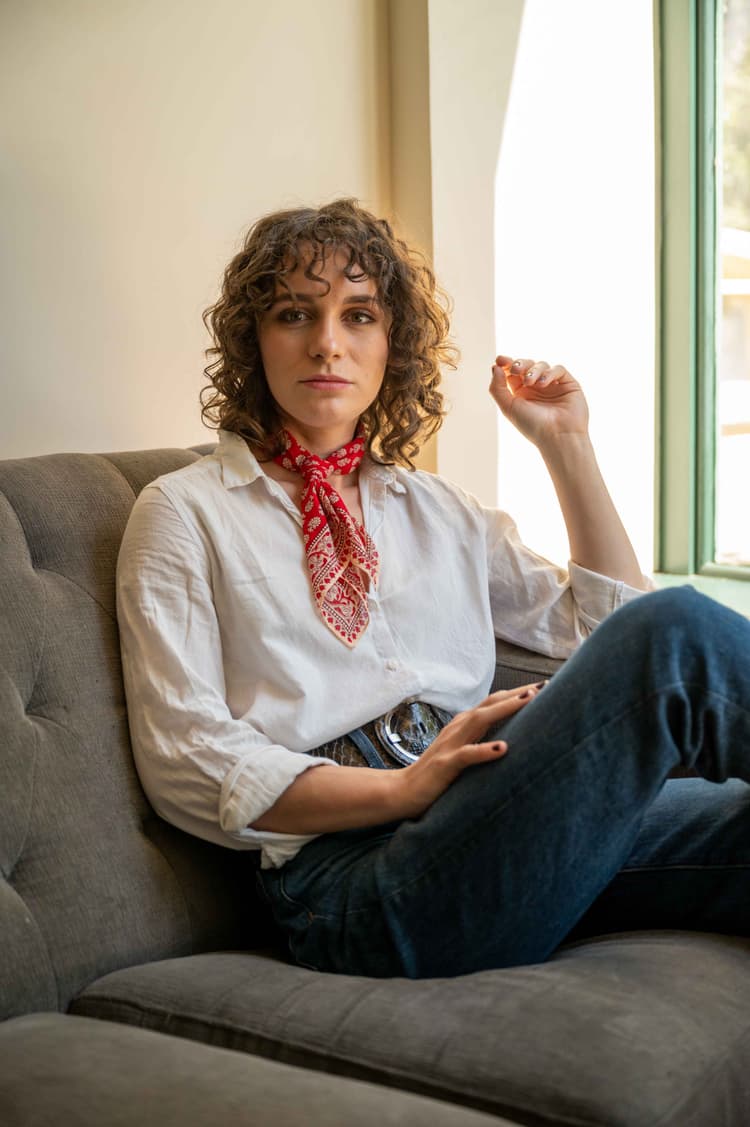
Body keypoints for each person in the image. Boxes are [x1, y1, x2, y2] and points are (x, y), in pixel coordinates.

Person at [117, 198, 750, 979]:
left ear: (393, 346)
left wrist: (568, 446)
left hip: (496, 821)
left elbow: (601, 630)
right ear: (255, 338)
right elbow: (186, 759)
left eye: (358, 316)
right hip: (361, 886)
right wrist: (404, 788)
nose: (326, 343)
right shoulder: (184, 511)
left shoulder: (439, 510)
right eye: (293, 314)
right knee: (678, 631)